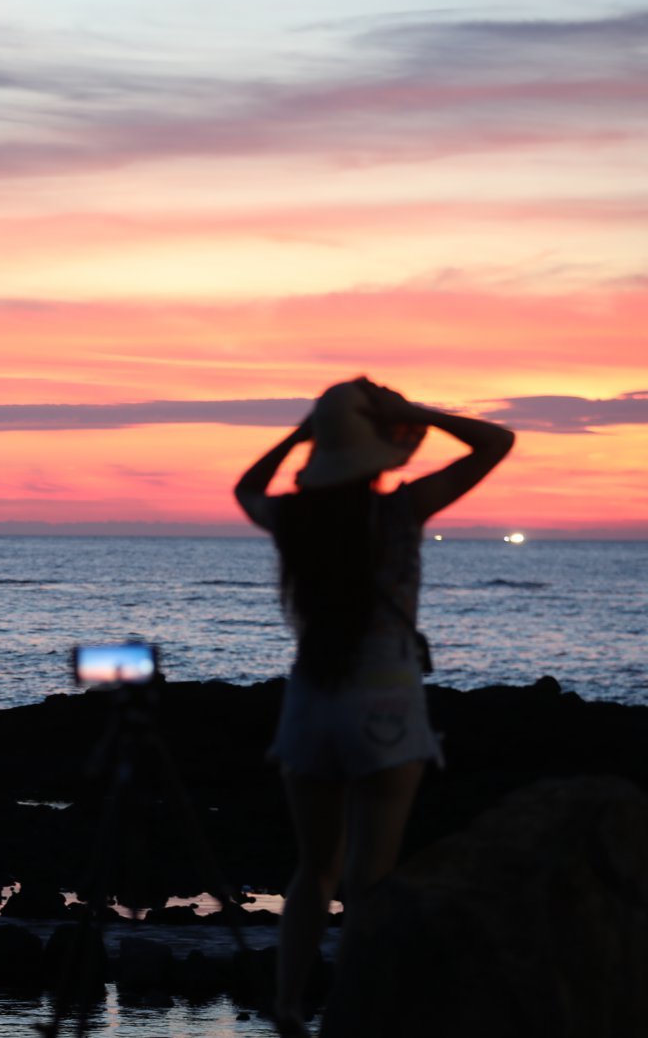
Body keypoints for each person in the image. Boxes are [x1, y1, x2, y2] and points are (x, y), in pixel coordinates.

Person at [233, 377, 514, 1037]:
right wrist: (412, 412)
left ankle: (289, 1004)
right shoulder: (401, 513)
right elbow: (496, 442)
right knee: (371, 880)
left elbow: (247, 488)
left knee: (313, 868)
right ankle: (359, 1014)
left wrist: (302, 435)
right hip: (384, 706)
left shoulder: (293, 522)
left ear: (322, 454)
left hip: (310, 705)